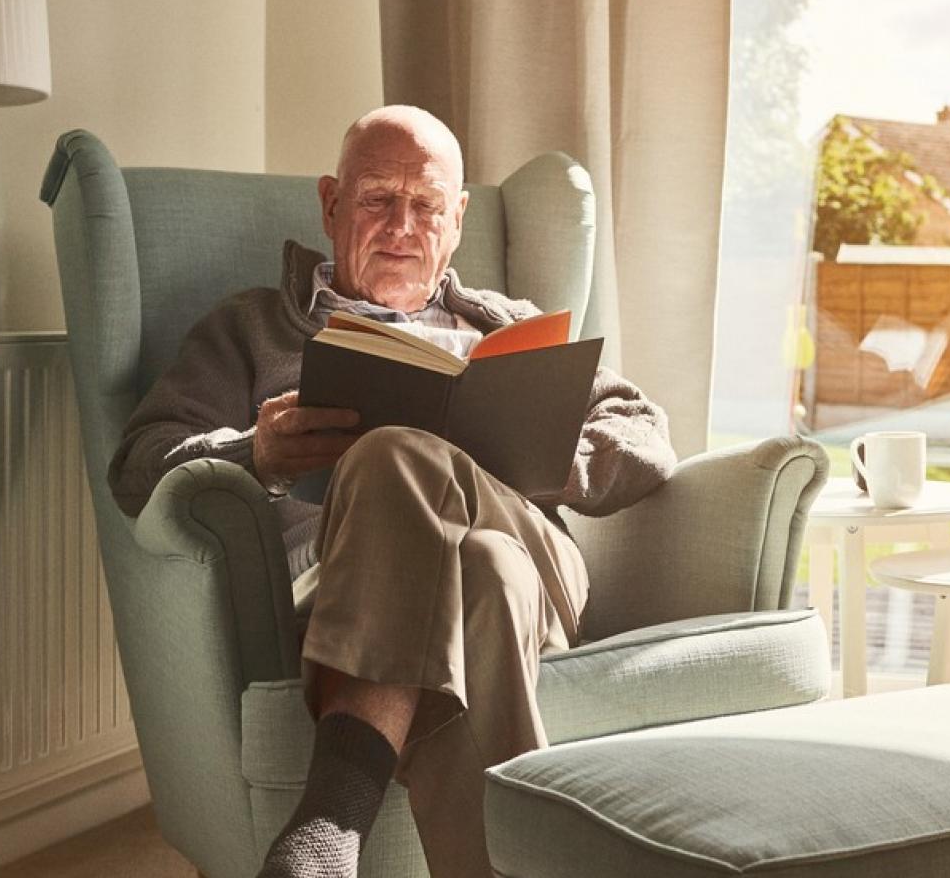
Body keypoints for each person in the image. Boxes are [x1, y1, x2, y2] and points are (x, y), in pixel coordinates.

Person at [108, 106, 676, 878]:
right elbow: (140, 465)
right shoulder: (250, 330)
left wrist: (558, 459)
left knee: (407, 467)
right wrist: (257, 451)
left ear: (458, 219)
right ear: (331, 203)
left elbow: (644, 429)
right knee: (483, 573)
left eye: (427, 205)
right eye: (378, 198)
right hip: (349, 589)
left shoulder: (508, 326)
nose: (403, 225)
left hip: (539, 563)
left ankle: (332, 816)